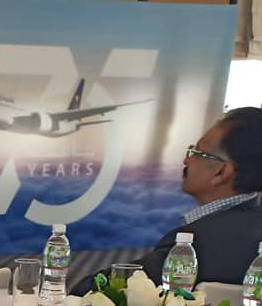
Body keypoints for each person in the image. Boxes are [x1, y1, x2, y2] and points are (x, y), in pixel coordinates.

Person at [72, 107, 262, 294]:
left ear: (221, 171)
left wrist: (79, 287)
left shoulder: (194, 245)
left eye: (197, 152)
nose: (186, 160)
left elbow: (100, 290)